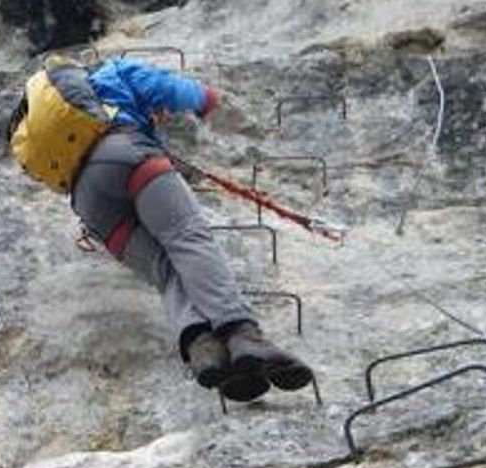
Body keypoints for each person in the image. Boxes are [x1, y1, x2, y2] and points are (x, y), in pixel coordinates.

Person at [70, 58, 313, 402]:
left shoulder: (63, 121)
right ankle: (243, 336)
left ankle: (204, 348)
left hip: (87, 200)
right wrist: (206, 99)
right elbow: (165, 87)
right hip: (127, 154)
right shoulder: (113, 72)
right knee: (188, 238)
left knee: (165, 269)